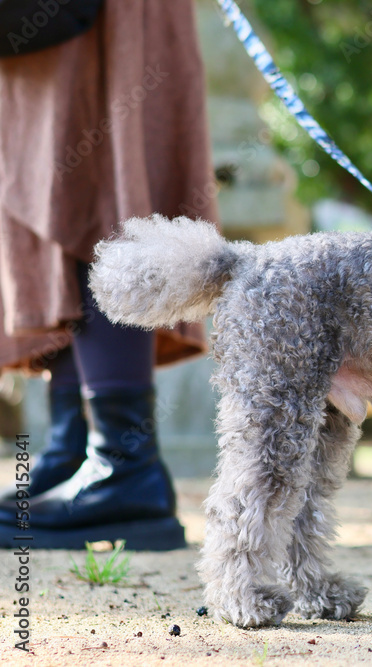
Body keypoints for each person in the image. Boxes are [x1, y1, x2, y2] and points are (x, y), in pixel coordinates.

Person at [0, 0, 218, 550]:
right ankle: (77, 453)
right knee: (73, 195)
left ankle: (122, 463)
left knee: (93, 190)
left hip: (103, 23)